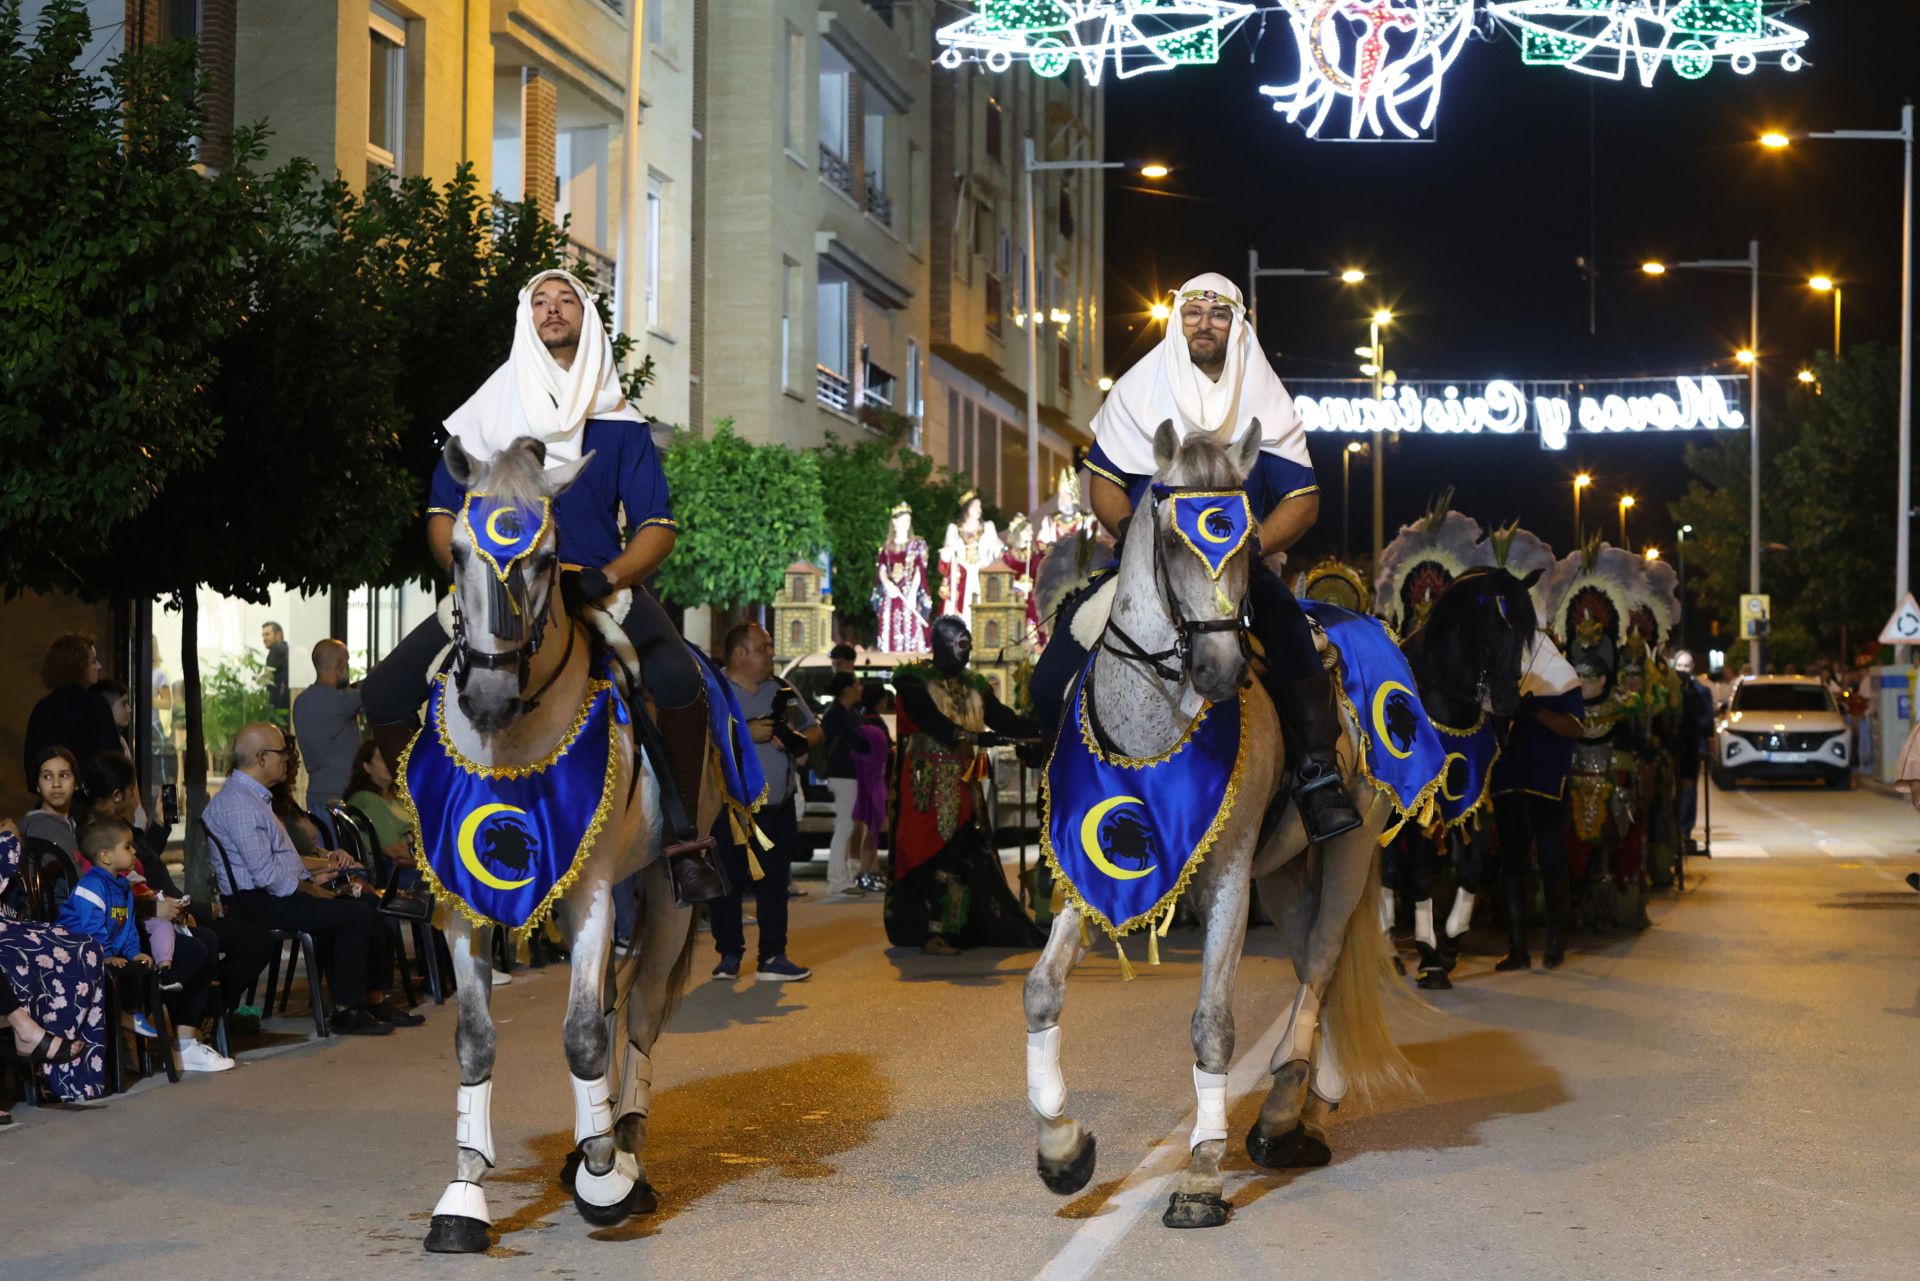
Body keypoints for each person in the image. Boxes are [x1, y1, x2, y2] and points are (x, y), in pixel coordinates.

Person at [358, 269, 724, 905]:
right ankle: (426, 835)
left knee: (678, 680)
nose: (553, 310)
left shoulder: (620, 424)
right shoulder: (484, 414)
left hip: (597, 585)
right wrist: (474, 580)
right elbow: (442, 519)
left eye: (566, 301)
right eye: (541, 302)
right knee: (387, 690)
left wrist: (609, 578)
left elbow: (657, 527)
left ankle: (684, 842)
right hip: (497, 589)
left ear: (587, 318)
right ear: (526, 319)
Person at [1067, 272, 1361, 844]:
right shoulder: (1138, 388)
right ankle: (1062, 766)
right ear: (1178, 319)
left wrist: (1248, 548)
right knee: (1061, 653)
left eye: (1219, 313)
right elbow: (1100, 480)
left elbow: (1303, 500)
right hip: (1144, 573)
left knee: (1291, 638)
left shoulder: (1264, 397)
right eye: (1194, 312)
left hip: (1235, 574)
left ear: (1237, 324)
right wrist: (1134, 534)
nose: (1205, 323)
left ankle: (1318, 773)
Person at [203, 723, 422, 1035]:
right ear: (262, 757)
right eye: (283, 753)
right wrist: (314, 890)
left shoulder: (254, 799)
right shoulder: (239, 804)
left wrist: (321, 873)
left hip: (273, 895)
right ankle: (347, 1010)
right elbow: (267, 876)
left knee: (368, 900)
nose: (289, 759)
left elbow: (280, 863)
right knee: (353, 914)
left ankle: (371, 998)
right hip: (257, 902)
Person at [82, 751, 272, 1031]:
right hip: (149, 918)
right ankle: (198, 1021)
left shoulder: (120, 830)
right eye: (134, 788)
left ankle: (205, 1014)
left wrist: (159, 826)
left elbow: (146, 865)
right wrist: (182, 909)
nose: (137, 796)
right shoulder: (102, 835)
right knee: (228, 942)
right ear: (119, 795)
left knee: (237, 936)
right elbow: (126, 888)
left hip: (167, 909)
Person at [888, 615, 1042, 955]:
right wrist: (977, 737)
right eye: (961, 643)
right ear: (941, 644)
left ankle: (947, 928)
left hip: (963, 780)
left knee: (958, 853)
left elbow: (1003, 718)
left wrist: (1044, 727)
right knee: (923, 854)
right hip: (924, 786)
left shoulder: (974, 685)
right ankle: (924, 931)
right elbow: (934, 723)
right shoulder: (914, 682)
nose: (967, 650)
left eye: (968, 642)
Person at [711, 623, 820, 982]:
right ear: (740, 654)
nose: (772, 653)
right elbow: (699, 738)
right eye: (765, 647)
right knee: (728, 883)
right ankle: (729, 955)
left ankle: (773, 956)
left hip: (777, 806)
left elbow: (815, 729)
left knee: (775, 884)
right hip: (731, 808)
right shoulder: (715, 690)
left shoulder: (783, 691)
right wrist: (745, 730)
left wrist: (796, 739)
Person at [1490, 635, 1586, 971]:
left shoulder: (1563, 677)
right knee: (1511, 865)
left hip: (1546, 782)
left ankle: (1554, 942)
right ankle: (1517, 948)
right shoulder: (1501, 676)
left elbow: (1575, 727)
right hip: (1508, 782)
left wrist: (1536, 710)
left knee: (1550, 860)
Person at [0, 822, 106, 1106]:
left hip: (7, 921)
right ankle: (27, 1032)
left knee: (86, 948)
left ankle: (71, 1078)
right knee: (11, 957)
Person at [23, 633, 119, 787]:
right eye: (93, 662)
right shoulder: (96, 705)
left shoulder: (42, 707)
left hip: (51, 798)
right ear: (78, 667)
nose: (99, 666)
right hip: (90, 801)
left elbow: (32, 766)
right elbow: (112, 761)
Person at [291, 638, 363, 830]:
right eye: (346, 662)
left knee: (327, 855)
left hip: (315, 794)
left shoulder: (301, 702)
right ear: (339, 665)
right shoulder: (341, 702)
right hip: (343, 799)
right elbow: (373, 695)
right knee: (348, 858)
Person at [820, 673, 865, 898]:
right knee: (844, 826)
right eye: (857, 684)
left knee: (847, 826)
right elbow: (848, 744)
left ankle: (843, 877)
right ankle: (837, 881)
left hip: (851, 774)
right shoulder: (835, 715)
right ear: (847, 689)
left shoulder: (850, 713)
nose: (860, 688)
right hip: (842, 775)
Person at [849, 681, 893, 894]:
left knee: (870, 827)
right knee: (873, 827)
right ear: (882, 699)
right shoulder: (875, 725)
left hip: (867, 779)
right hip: (874, 781)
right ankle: (866, 873)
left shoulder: (861, 719)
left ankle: (872, 871)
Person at [873, 503, 932, 653]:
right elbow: (882, 569)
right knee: (889, 628)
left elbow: (920, 570)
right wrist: (887, 584)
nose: (906, 524)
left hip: (909, 594)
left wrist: (912, 593)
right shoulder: (886, 547)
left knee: (910, 629)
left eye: (908, 520)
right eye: (903, 520)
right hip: (890, 596)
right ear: (894, 521)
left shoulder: (918, 544)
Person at [938, 492, 1003, 627]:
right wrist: (949, 551)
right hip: (962, 575)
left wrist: (999, 546)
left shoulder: (988, 527)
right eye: (975, 507)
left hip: (982, 573)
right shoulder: (954, 529)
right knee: (959, 606)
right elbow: (946, 555)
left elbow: (998, 550)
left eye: (980, 507)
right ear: (967, 509)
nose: (979, 510)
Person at [1672, 650, 1714, 857]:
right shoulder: (1668, 689)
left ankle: (1685, 832)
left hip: (1692, 746)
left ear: (1693, 668)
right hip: (1674, 746)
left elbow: (1708, 722)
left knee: (1689, 790)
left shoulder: (1700, 692)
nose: (1682, 671)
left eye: (1686, 667)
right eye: (1679, 666)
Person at [23, 745, 82, 863]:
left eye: (64, 775)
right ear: (37, 786)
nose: (56, 784)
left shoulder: (78, 827)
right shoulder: (37, 827)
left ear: (76, 783)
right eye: (47, 776)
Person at [259, 622, 290, 721]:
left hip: (277, 707)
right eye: (263, 635)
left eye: (267, 634)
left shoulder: (276, 650)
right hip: (286, 705)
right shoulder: (286, 649)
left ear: (279, 635)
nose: (264, 638)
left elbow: (265, 678)